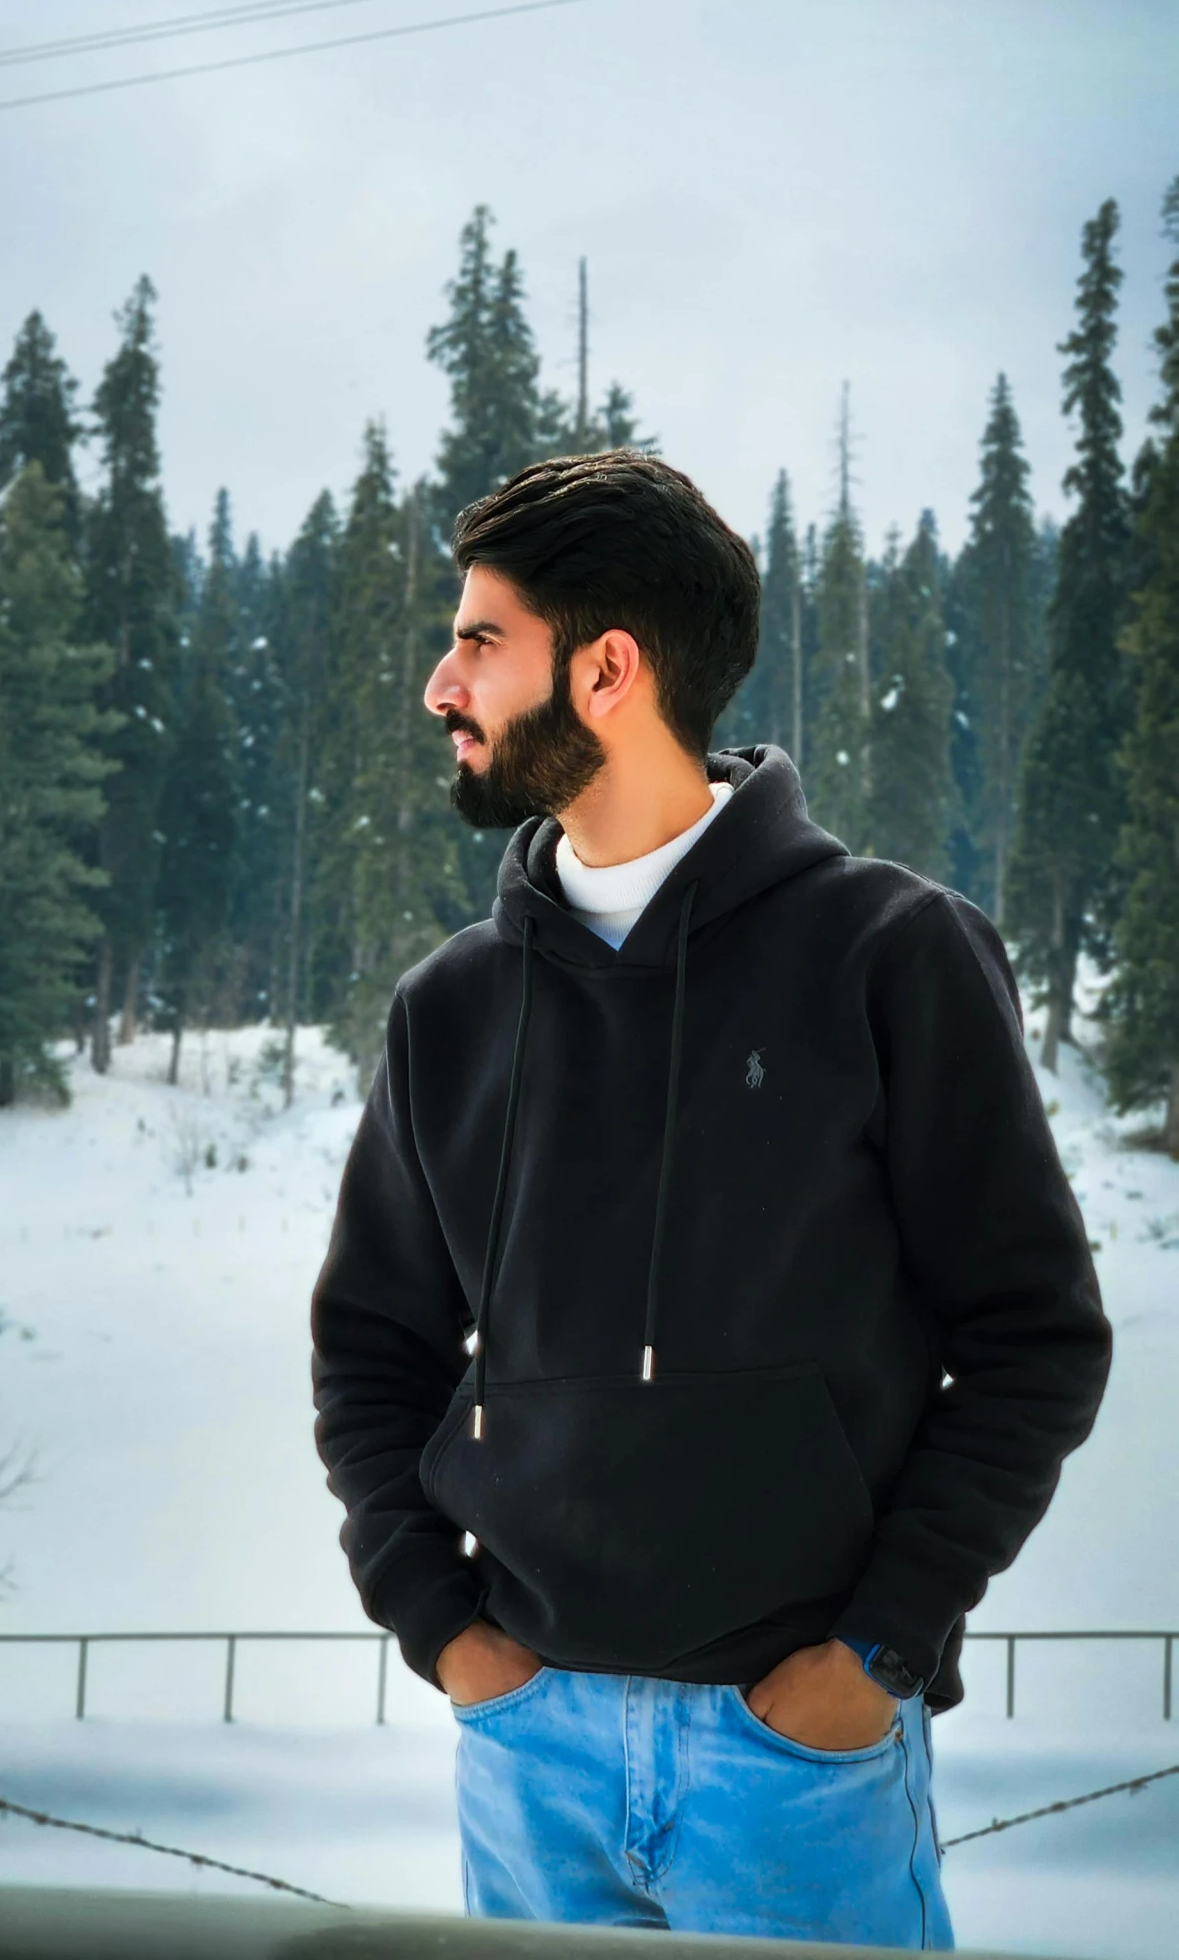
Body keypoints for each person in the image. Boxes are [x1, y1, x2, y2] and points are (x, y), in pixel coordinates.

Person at [311, 451, 1110, 1949]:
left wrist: (874, 1649)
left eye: (482, 638)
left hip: (794, 1752)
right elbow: (370, 1352)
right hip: (527, 1748)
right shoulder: (451, 1010)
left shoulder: (893, 956)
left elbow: (1034, 1340)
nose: (441, 680)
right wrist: (443, 1630)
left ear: (609, 669)